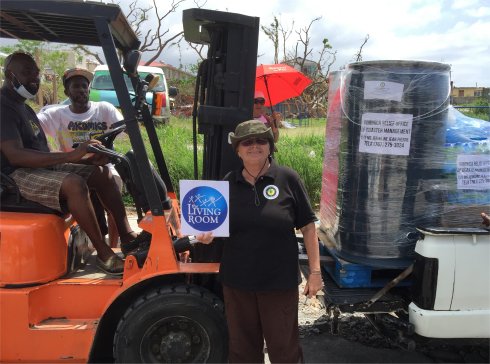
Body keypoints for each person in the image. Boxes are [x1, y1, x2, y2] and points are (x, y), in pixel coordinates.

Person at [0, 51, 138, 275]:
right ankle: (104, 255)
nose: (34, 80)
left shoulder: (23, 107)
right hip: (14, 175)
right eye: (27, 74)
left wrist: (86, 158)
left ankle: (127, 236)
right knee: (74, 184)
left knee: (101, 171)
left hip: (34, 167)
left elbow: (40, 150)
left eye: (36, 75)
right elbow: (15, 155)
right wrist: (69, 156)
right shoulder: (3, 107)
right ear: (10, 74)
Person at [199, 119, 323, 363]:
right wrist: (206, 236)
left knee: (284, 349)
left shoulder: (288, 178)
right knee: (242, 349)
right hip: (237, 282)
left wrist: (315, 272)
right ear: (237, 149)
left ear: (269, 146)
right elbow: (213, 227)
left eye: (260, 141)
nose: (254, 146)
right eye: (247, 142)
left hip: (278, 282)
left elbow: (308, 227)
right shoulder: (226, 183)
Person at [37, 68, 123, 247]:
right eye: (76, 86)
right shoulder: (56, 114)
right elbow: (34, 126)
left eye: (85, 86)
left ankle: (115, 245)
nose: (81, 90)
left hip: (103, 164)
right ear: (67, 91)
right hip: (72, 165)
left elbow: (124, 128)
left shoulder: (104, 109)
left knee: (114, 187)